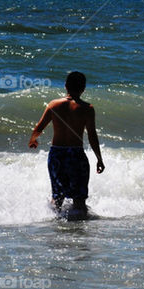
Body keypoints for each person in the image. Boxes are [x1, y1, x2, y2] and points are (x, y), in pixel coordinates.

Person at [28, 71, 105, 218]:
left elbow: (38, 128)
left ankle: (54, 225)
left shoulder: (54, 105)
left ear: (65, 86)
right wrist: (99, 159)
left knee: (57, 198)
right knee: (79, 200)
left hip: (56, 155)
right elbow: (92, 136)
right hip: (76, 155)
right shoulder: (87, 109)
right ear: (83, 88)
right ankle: (79, 232)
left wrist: (33, 140)